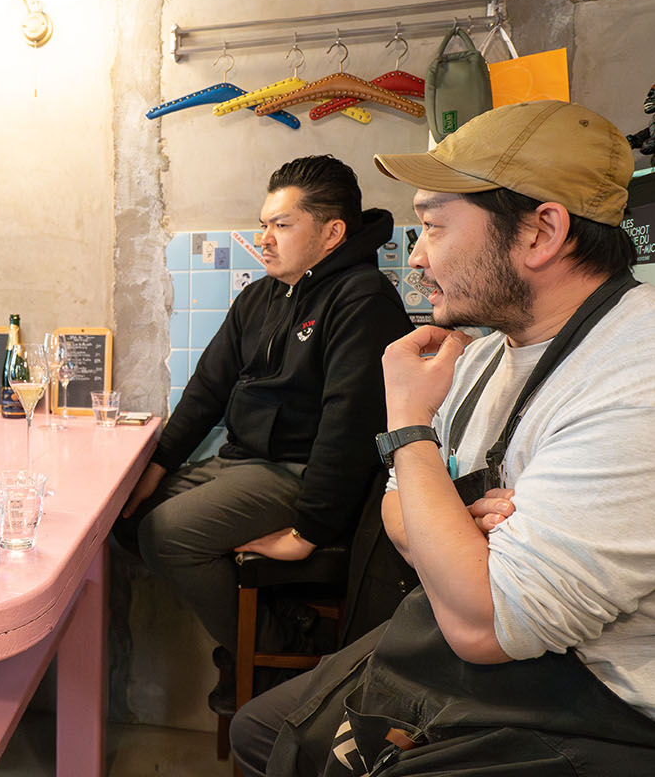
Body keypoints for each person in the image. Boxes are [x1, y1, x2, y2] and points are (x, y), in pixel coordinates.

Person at [231, 100, 655, 776]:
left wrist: (408, 427)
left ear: (541, 232)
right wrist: (459, 533)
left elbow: (486, 625)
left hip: (600, 709)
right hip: (484, 660)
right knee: (260, 730)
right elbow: (396, 508)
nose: (417, 256)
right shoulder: (481, 355)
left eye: (432, 227)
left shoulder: (634, 373)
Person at [119, 155, 413, 710]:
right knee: (124, 516)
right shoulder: (261, 297)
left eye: (281, 224)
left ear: (332, 233)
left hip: (298, 474)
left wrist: (308, 532)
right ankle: (269, 633)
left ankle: (274, 658)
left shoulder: (362, 298)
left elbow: (351, 424)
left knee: (166, 532)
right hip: (242, 463)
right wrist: (155, 467)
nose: (264, 239)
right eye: (264, 224)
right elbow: (207, 389)